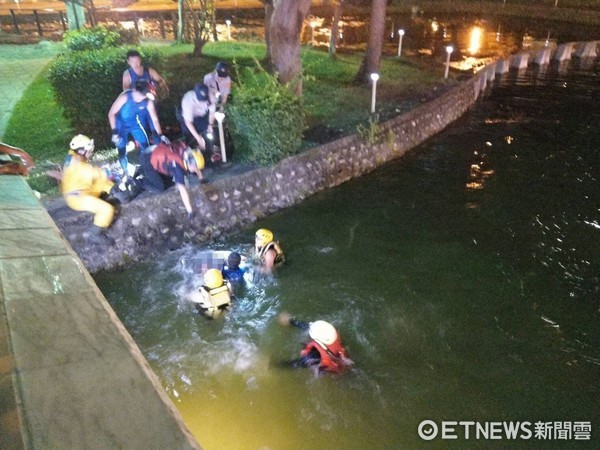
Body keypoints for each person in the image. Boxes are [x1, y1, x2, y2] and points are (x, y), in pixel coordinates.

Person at [60, 134, 130, 245]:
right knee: (107, 209)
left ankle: (114, 192)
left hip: (80, 191)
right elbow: (97, 174)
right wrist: (110, 183)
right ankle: (94, 233)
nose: (91, 152)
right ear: (82, 151)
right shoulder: (80, 166)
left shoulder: (73, 156)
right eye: (89, 150)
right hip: (77, 197)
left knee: (101, 180)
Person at [137, 140, 205, 219]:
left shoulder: (187, 152)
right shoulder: (177, 167)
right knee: (160, 187)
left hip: (153, 152)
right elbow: (182, 189)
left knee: (171, 182)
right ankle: (138, 181)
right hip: (147, 160)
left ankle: (141, 171)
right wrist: (190, 211)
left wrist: (201, 178)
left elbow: (195, 164)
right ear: (190, 163)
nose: (195, 170)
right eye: (195, 168)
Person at [108, 78, 163, 173]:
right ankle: (125, 171)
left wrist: (160, 135)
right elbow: (111, 113)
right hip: (120, 125)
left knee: (145, 145)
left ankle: (147, 168)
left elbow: (154, 118)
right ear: (135, 90)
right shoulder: (125, 97)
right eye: (140, 95)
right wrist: (115, 132)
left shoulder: (147, 101)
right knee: (121, 148)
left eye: (143, 96)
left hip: (134, 123)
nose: (141, 98)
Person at [277, 312, 350, 374]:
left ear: (318, 341)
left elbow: (295, 364)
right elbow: (309, 327)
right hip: (342, 357)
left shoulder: (315, 356)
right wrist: (291, 321)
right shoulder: (330, 335)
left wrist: (273, 364)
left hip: (338, 372)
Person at [178, 83, 216, 158]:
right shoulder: (188, 100)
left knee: (208, 131)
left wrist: (210, 125)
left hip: (200, 116)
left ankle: (208, 152)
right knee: (189, 136)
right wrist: (198, 138)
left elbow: (212, 112)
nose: (202, 101)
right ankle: (192, 156)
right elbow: (188, 122)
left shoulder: (211, 97)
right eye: (200, 99)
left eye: (204, 99)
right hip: (186, 118)